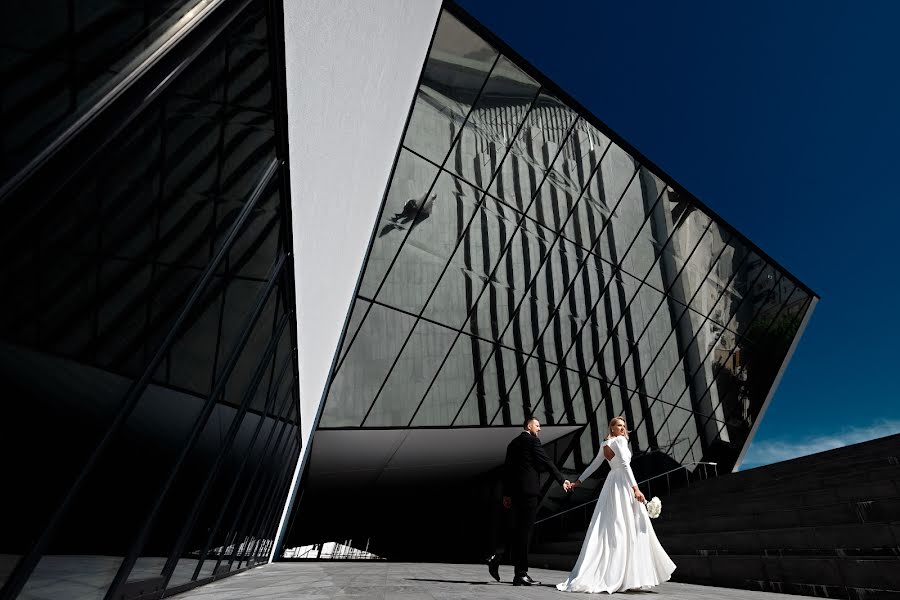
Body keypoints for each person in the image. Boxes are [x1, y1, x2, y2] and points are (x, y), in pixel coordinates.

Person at [556, 416, 676, 593]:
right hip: (623, 484)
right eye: (618, 425)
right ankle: (626, 575)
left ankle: (627, 575)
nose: (622, 428)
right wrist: (636, 489)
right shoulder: (619, 441)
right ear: (611, 428)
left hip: (613, 483)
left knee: (616, 525)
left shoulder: (606, 443)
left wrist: (578, 481)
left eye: (623, 425)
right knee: (628, 525)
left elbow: (595, 464)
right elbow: (624, 466)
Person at [487, 416, 572, 586]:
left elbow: (508, 471)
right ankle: (520, 573)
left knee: (519, 530)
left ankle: (499, 557)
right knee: (525, 532)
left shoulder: (512, 444)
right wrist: (562, 480)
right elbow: (547, 461)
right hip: (529, 493)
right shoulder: (532, 441)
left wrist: (507, 494)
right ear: (528, 425)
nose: (539, 429)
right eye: (537, 425)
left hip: (516, 494)